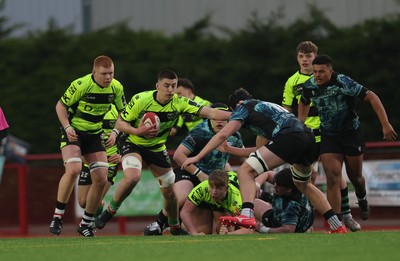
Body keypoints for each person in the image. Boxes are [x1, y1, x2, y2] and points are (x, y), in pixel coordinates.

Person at [182, 87, 347, 234]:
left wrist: (197, 157)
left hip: (290, 137)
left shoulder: (243, 107)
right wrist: (229, 150)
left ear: (237, 105)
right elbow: (260, 152)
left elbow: (223, 134)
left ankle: (246, 215)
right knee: (304, 185)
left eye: (233, 113)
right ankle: (337, 225)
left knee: (244, 171)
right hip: (308, 138)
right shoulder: (264, 110)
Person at [94, 70, 231, 235]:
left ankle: (174, 226)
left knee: (170, 194)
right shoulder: (141, 99)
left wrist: (239, 115)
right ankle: (109, 212)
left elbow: (210, 112)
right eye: (166, 86)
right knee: (133, 177)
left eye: (173, 86)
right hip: (133, 143)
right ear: (157, 85)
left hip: (157, 148)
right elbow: (120, 123)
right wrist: (138, 131)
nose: (170, 90)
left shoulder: (179, 102)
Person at [298, 55, 398, 224]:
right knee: (332, 177)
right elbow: (304, 101)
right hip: (329, 135)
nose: (318, 75)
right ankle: (336, 221)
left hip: (351, 134)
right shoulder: (310, 85)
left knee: (356, 177)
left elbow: (372, 97)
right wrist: (300, 122)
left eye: (322, 72)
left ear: (331, 70)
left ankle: (362, 196)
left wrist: (385, 124)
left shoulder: (343, 82)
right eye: (315, 72)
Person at [282, 41, 360, 232]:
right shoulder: (292, 82)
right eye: (301, 56)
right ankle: (309, 222)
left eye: (308, 56)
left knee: (335, 175)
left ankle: (344, 217)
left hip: (327, 133)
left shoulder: (330, 78)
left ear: (315, 57)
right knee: (309, 180)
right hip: (306, 136)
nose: (305, 60)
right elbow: (286, 109)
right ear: (297, 58)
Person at [143, 102, 254, 235]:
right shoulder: (200, 131)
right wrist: (199, 173)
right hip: (190, 173)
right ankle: (160, 223)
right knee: (182, 196)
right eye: (215, 118)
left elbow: (244, 158)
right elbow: (178, 156)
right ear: (209, 118)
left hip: (213, 180)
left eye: (222, 118)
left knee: (205, 232)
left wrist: (254, 174)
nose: (219, 122)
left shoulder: (235, 135)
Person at [49, 55, 126, 237]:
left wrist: (115, 132)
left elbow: (124, 113)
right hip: (74, 132)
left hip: (94, 135)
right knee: (74, 169)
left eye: (111, 73)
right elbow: (60, 106)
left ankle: (86, 223)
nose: (108, 77)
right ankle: (57, 216)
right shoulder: (81, 84)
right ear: (94, 72)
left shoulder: (117, 87)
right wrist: (67, 127)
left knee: (101, 177)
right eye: (104, 74)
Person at [219, 168, 314, 234]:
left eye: (277, 186)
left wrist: (263, 229)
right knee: (250, 200)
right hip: (282, 208)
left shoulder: (292, 206)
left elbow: (288, 230)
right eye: (275, 183)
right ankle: (243, 221)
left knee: (252, 207)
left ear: (288, 189)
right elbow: (267, 174)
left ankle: (243, 229)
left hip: (288, 224)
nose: (274, 186)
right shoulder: (289, 181)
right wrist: (256, 185)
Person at [77, 104, 122, 217]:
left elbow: (128, 135)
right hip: (90, 159)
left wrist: (121, 154)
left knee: (94, 199)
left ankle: (89, 226)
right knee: (83, 202)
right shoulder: (84, 109)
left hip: (110, 161)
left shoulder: (117, 111)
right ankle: (99, 206)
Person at [180, 169, 242, 235]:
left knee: (232, 227)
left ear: (226, 189)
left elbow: (248, 229)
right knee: (210, 230)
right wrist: (194, 233)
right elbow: (185, 211)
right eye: (211, 187)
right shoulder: (203, 188)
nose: (214, 192)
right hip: (217, 203)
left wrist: (229, 234)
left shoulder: (236, 199)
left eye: (219, 188)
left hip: (233, 201)